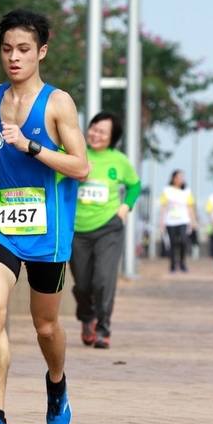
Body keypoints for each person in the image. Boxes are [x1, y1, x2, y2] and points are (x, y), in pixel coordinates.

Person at [0, 9, 88, 424]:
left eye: (23, 49)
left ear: (41, 52)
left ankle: (56, 381)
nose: (13, 58)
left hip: (48, 232)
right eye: (7, 50)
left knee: (45, 327)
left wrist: (31, 146)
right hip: (0, 222)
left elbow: (81, 167)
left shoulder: (58, 103)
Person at [69, 111, 141, 350]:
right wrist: (77, 174)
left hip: (108, 227)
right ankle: (87, 317)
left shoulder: (119, 161)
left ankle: (103, 330)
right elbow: (57, 179)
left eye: (102, 132)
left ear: (113, 137)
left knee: (103, 280)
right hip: (77, 228)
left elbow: (134, 185)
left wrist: (125, 208)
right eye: (93, 129)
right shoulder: (75, 154)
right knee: (82, 284)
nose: (95, 135)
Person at [159, 170, 196, 273]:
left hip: (183, 220)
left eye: (182, 178)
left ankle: (182, 261)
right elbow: (164, 206)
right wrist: (162, 220)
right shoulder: (166, 191)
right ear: (173, 178)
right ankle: (172, 264)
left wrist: (193, 221)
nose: (181, 180)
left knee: (184, 241)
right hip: (170, 221)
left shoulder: (187, 191)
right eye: (179, 177)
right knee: (172, 243)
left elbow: (190, 207)